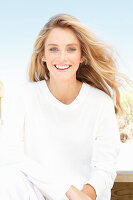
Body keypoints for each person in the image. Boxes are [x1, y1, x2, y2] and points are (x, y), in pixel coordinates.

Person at [0, 13, 129, 200]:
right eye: (53, 49)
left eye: (71, 49)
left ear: (82, 56)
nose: (62, 57)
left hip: (85, 197)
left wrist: (83, 196)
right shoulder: (23, 97)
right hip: (37, 195)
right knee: (5, 179)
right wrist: (64, 190)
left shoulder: (100, 103)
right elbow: (10, 155)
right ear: (43, 55)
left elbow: (105, 168)